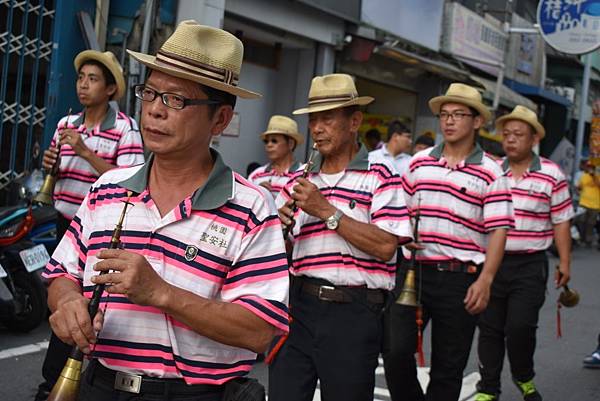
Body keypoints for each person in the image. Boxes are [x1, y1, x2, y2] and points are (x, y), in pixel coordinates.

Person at [42, 21, 289, 401]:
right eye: (150, 93)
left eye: (176, 100)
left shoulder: (251, 207)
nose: (155, 111)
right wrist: (68, 302)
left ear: (220, 119)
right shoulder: (107, 189)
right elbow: (61, 274)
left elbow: (258, 330)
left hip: (195, 395)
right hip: (101, 385)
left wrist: (161, 292)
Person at [268, 73, 413, 401]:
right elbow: (278, 253)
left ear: (354, 121)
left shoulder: (381, 178)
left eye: (328, 118)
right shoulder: (297, 179)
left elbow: (387, 246)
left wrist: (326, 211)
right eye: (313, 120)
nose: (317, 128)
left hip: (354, 312)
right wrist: (281, 229)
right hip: (297, 307)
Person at [384, 83, 514, 401]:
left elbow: (499, 230)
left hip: (460, 277)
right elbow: (400, 211)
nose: (449, 121)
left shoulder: (491, 172)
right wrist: (402, 234)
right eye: (444, 114)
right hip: (413, 270)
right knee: (394, 349)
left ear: (477, 121)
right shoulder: (419, 163)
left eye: (458, 114)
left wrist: (485, 281)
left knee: (448, 367)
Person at [35, 50, 144, 401]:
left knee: (89, 307)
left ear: (111, 89)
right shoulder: (66, 124)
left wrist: (84, 151)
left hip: (97, 234)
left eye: (93, 79)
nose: (83, 85)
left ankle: (72, 375)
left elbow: (130, 183)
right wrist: (51, 163)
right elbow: (55, 171)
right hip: (61, 223)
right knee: (62, 300)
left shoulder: (125, 129)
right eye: (81, 78)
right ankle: (53, 381)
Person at [474, 106, 574, 401]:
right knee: (489, 328)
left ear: (533, 139)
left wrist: (565, 262)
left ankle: (523, 376)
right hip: (492, 262)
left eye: (518, 134)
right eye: (506, 134)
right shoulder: (491, 172)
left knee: (520, 326)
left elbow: (561, 220)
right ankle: (488, 388)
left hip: (530, 264)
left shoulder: (551, 175)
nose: (511, 140)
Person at [248, 115, 304, 197]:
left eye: (274, 141)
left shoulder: (302, 175)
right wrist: (258, 192)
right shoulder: (256, 175)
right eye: (266, 141)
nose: (269, 145)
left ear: (291, 144)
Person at [576, 161, 600, 247]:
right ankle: (581, 238)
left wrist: (594, 176)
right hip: (583, 203)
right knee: (580, 220)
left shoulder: (598, 176)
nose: (589, 169)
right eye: (588, 167)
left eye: (591, 167)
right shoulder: (583, 176)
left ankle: (588, 240)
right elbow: (579, 187)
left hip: (595, 204)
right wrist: (578, 191)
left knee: (591, 223)